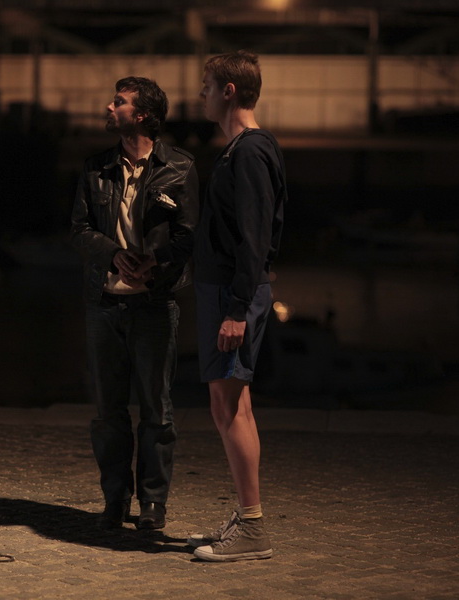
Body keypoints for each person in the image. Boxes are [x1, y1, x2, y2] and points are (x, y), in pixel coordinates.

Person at [70, 77, 199, 531]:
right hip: (104, 304)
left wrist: (153, 265)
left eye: (119, 102)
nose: (109, 107)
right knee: (108, 413)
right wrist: (113, 255)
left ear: (142, 114)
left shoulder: (179, 167)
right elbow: (80, 230)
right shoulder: (96, 167)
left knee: (156, 412)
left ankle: (153, 504)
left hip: (154, 304)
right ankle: (115, 500)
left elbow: (187, 236)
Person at [188, 51, 287, 561]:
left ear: (228, 91)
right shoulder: (242, 149)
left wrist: (236, 309)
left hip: (232, 293)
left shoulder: (249, 151)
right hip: (227, 290)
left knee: (229, 408)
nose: (200, 93)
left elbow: (256, 236)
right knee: (231, 405)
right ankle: (246, 518)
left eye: (207, 85)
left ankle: (252, 528)